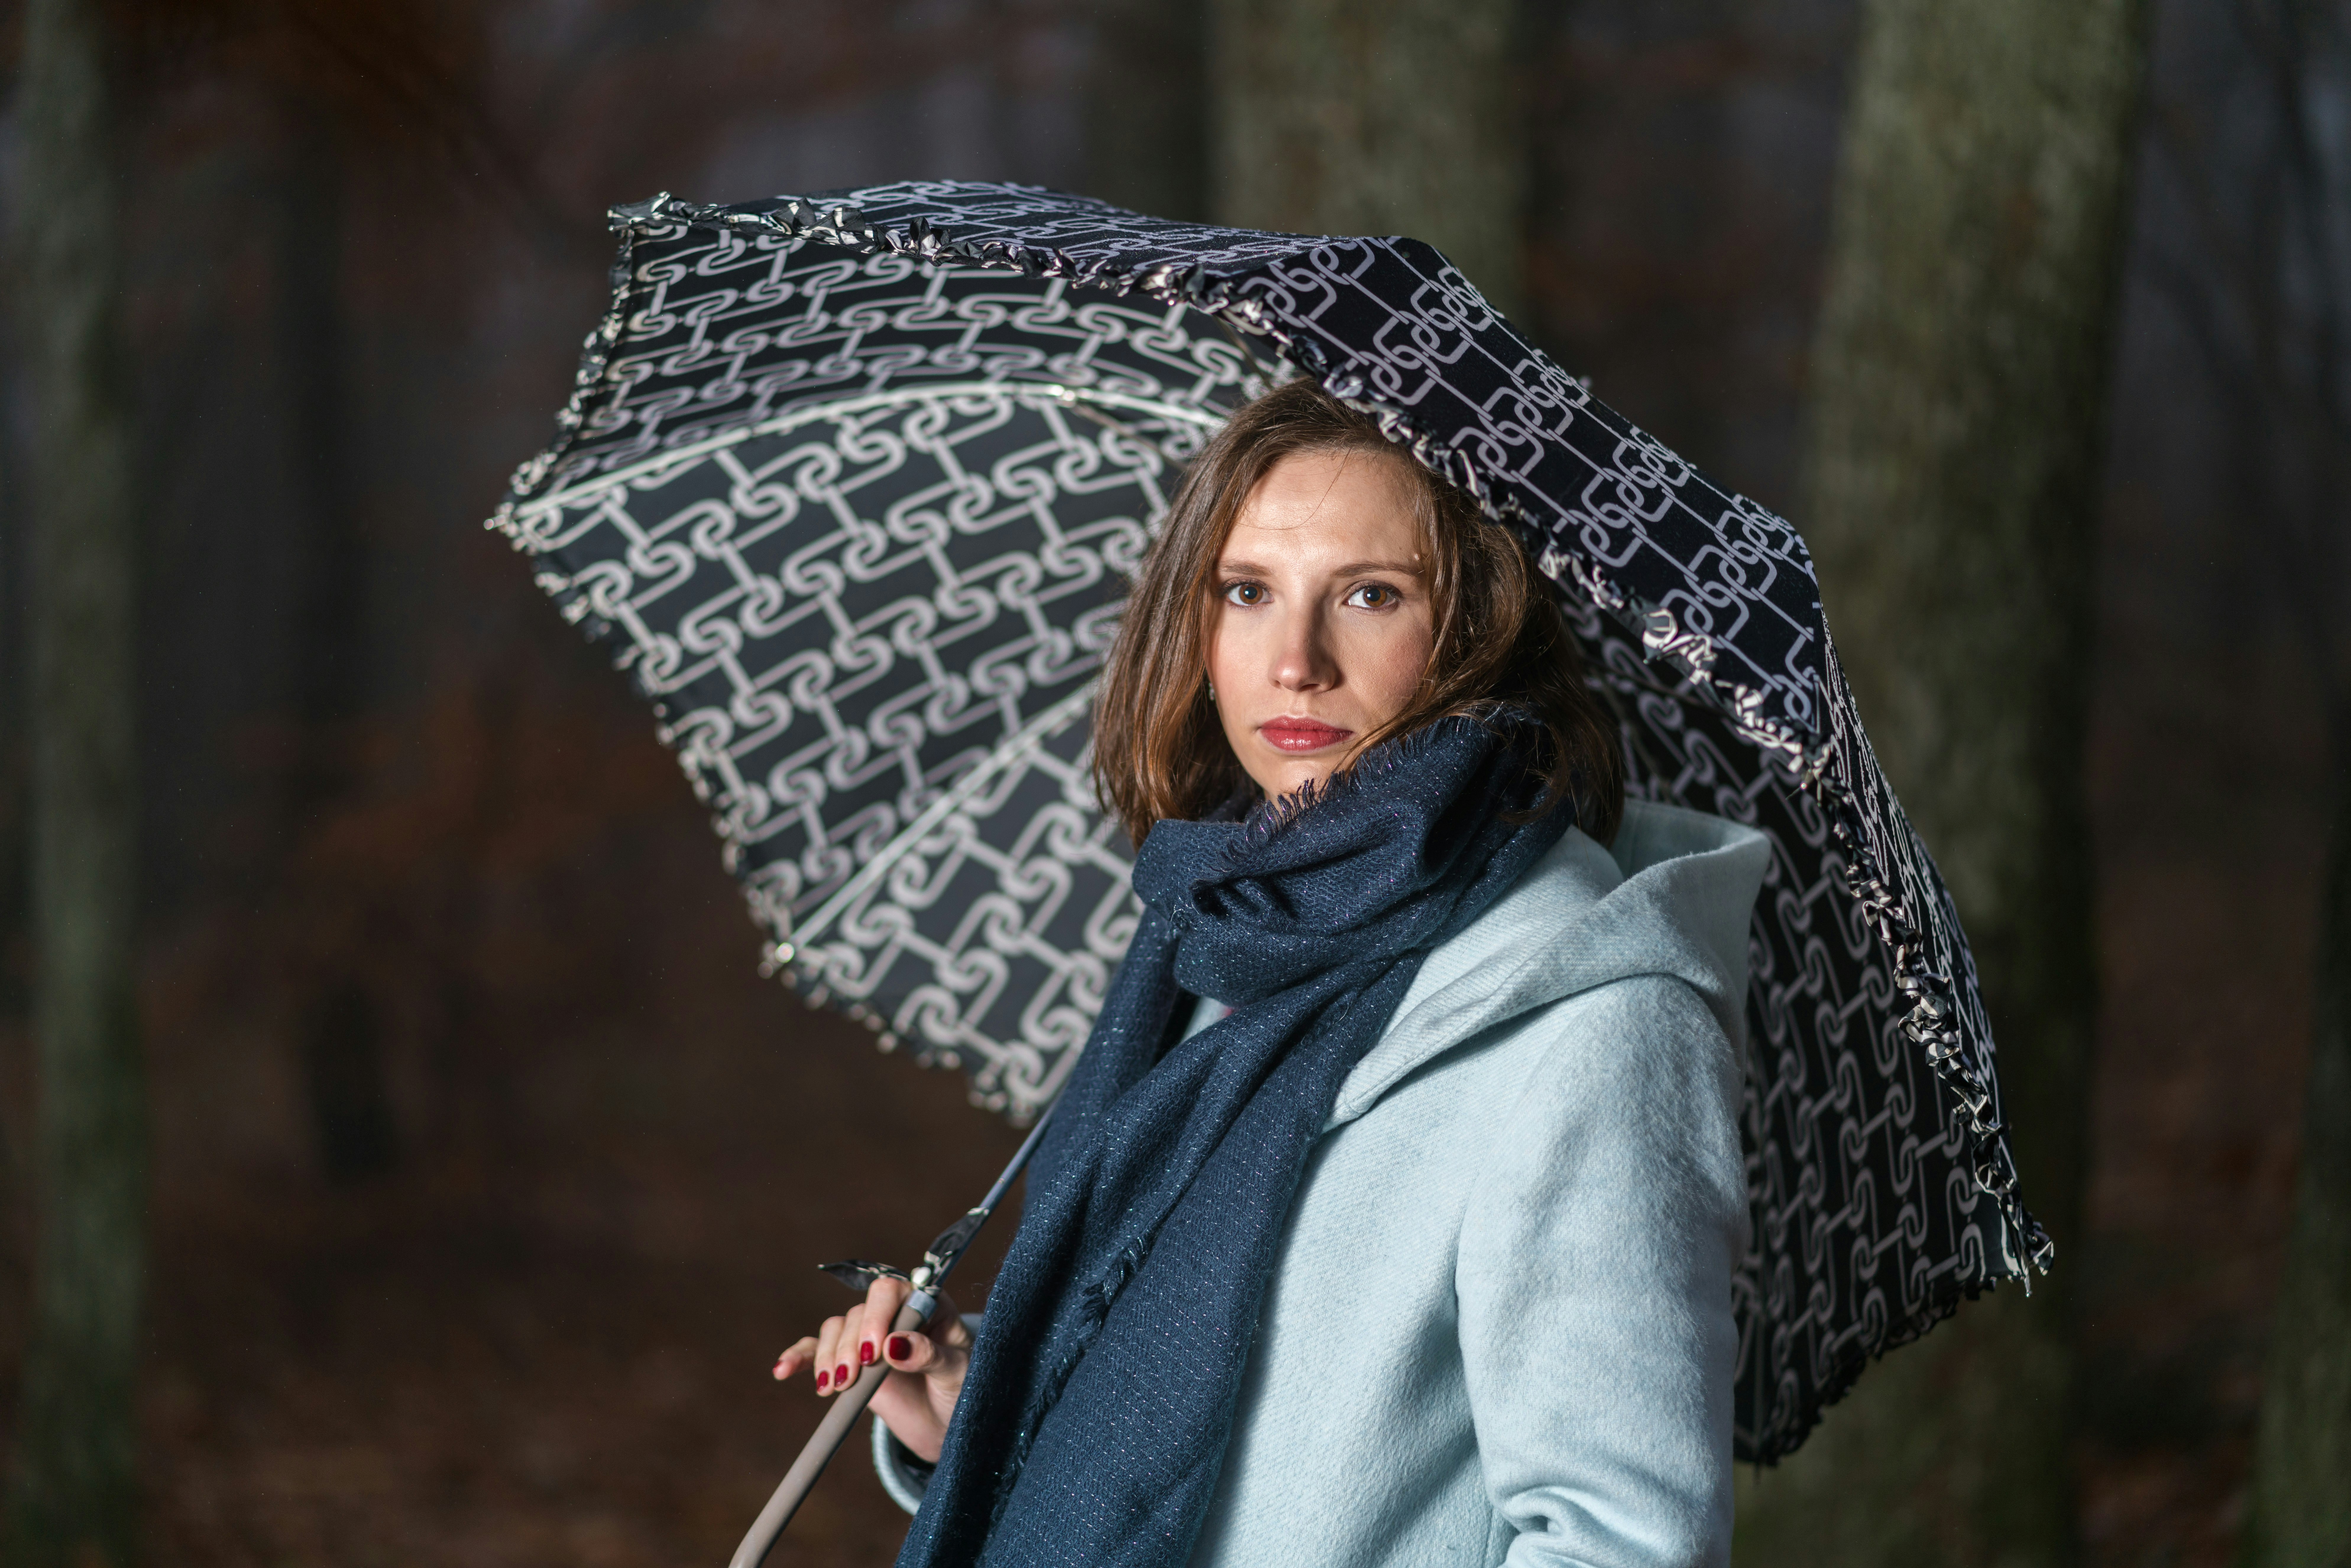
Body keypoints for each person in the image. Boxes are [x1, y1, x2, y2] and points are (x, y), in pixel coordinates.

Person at [773, 379, 1769, 1568]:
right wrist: (969, 1410)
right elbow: (1203, 1403)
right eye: (1245, 593)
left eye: (1368, 595)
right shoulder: (1211, 941)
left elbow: (1622, 1543)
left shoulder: (1594, 1022)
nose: (1292, 662)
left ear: (1476, 630)